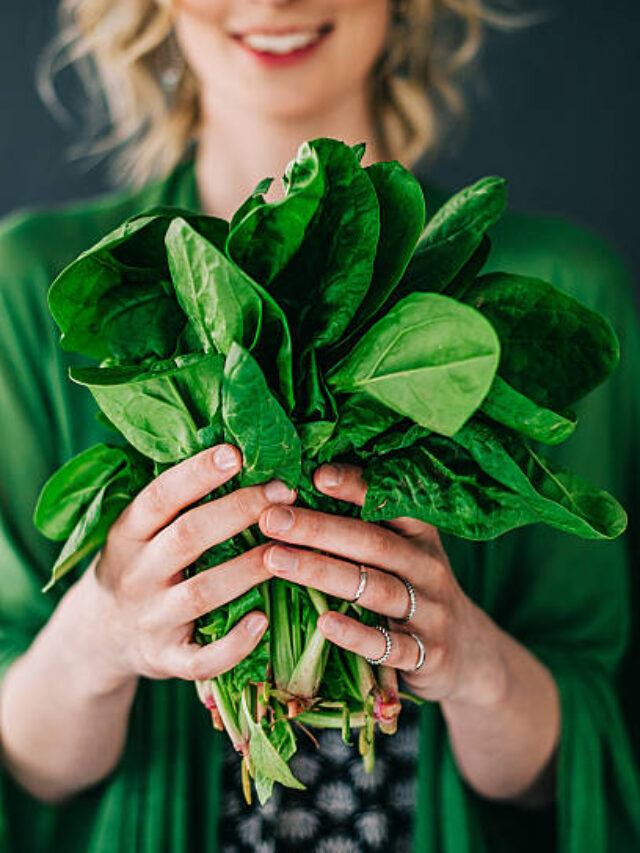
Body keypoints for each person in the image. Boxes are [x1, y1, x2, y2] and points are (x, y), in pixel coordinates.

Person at [0, 0, 639, 851]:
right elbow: (28, 766)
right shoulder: (33, 293)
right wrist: (105, 632)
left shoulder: (561, 288)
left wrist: (474, 665)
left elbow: (578, 764)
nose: (272, 2)